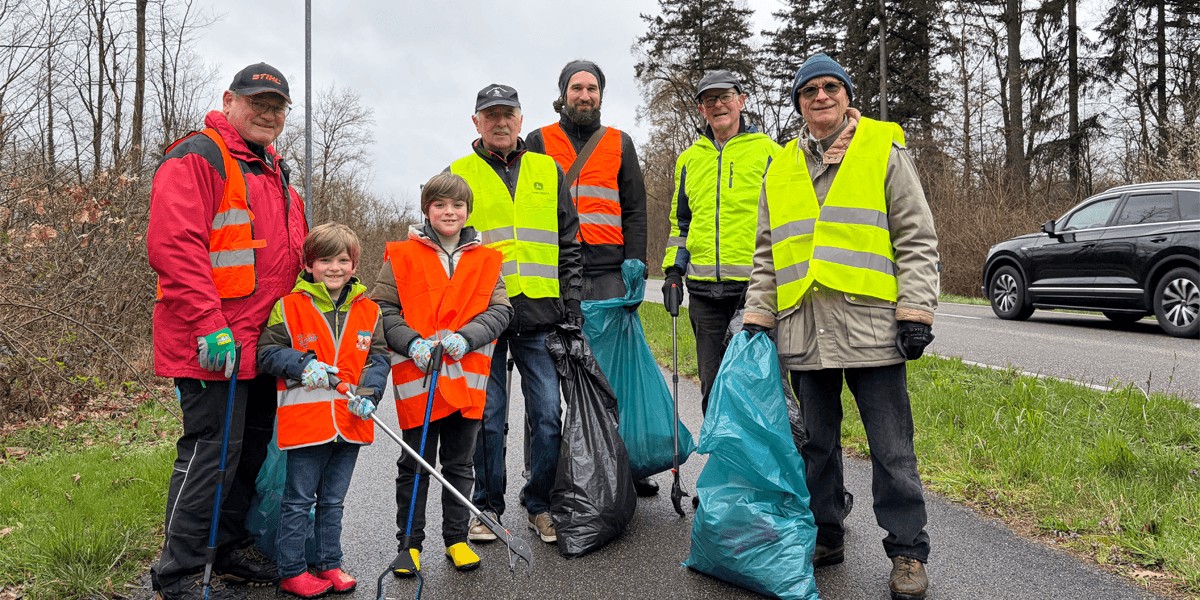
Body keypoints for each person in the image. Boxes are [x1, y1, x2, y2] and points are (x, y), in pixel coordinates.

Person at [741, 53, 939, 600]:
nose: (821, 96)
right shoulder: (781, 166)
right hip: (805, 330)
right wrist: (757, 316)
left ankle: (907, 551)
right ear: (799, 104)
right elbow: (767, 254)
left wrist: (916, 312)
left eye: (831, 87)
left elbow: (916, 237)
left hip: (873, 329)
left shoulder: (882, 150)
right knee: (816, 446)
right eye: (809, 91)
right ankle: (826, 535)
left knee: (891, 449)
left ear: (848, 96)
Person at [147, 62, 307, 600]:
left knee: (249, 451)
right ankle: (179, 571)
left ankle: (228, 547)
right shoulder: (199, 156)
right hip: (212, 343)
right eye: (257, 102)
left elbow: (292, 259)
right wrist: (209, 325)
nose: (267, 113)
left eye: (277, 106)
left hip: (262, 346)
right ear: (229, 101)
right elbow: (175, 246)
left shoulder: (276, 172)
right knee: (210, 455)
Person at [448, 83, 583, 545]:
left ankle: (539, 504)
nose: (500, 122)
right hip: (483, 318)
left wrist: (572, 305)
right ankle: (487, 506)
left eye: (508, 114)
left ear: (521, 119)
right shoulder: (458, 174)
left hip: (541, 314)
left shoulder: (548, 169)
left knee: (547, 415)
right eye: (491, 115)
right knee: (487, 418)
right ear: (476, 122)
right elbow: (443, 245)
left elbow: (569, 242)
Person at [525, 60, 658, 497]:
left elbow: (635, 208)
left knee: (612, 377)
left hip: (608, 272)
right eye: (576, 88)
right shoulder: (539, 140)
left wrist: (635, 261)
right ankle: (546, 473)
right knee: (549, 380)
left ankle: (624, 465)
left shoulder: (620, 142)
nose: (584, 95)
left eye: (592, 88)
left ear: (601, 94)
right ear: (563, 93)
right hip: (555, 271)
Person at [370, 173, 512, 576]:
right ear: (427, 210)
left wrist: (467, 338)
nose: (449, 212)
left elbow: (501, 310)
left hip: (466, 380)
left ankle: (456, 540)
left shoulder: (487, 260)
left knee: (460, 464)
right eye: (439, 205)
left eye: (457, 205)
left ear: (468, 211)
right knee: (414, 464)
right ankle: (409, 546)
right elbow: (382, 309)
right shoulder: (401, 256)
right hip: (420, 379)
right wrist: (412, 342)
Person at [256, 222, 390, 597]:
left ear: (354, 264)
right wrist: (303, 365)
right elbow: (267, 353)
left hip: (351, 420)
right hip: (306, 423)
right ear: (309, 265)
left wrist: (370, 394)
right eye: (325, 260)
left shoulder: (370, 311)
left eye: (343, 260)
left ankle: (330, 562)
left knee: (333, 501)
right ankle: (292, 570)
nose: (334, 267)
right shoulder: (288, 307)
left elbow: (377, 359)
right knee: (299, 501)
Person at [661, 69, 782, 415]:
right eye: (709, 100)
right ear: (701, 109)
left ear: (741, 101)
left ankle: (759, 452)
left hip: (755, 292)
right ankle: (719, 451)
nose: (718, 105)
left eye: (725, 96)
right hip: (704, 295)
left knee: (756, 388)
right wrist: (673, 271)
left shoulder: (770, 153)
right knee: (713, 387)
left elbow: (784, 220)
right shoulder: (689, 160)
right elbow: (681, 223)